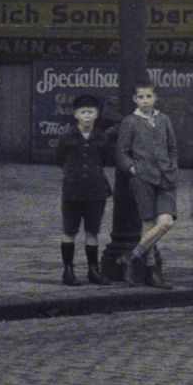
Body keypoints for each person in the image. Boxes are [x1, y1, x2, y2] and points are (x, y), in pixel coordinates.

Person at [115, 81, 179, 288]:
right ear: (135, 99)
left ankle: (132, 256)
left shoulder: (164, 120)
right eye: (141, 97)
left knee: (166, 222)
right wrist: (133, 169)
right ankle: (152, 272)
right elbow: (121, 153)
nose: (145, 101)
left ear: (155, 98)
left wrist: (172, 168)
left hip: (166, 179)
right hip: (143, 179)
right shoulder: (130, 122)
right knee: (149, 224)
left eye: (148, 96)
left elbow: (172, 148)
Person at [52, 93, 114, 285]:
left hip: (95, 191)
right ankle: (68, 270)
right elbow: (60, 159)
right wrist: (73, 174)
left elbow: (106, 159)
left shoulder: (101, 138)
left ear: (96, 115)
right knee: (69, 230)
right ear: (76, 114)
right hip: (73, 191)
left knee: (92, 231)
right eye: (83, 112)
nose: (87, 115)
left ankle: (93, 270)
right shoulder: (67, 137)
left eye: (91, 112)